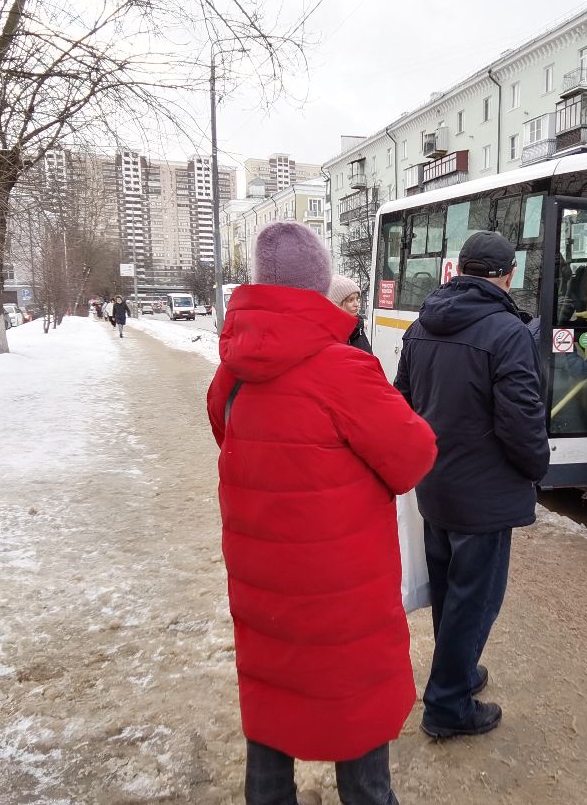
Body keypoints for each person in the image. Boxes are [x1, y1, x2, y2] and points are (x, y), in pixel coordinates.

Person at [206, 221, 438, 805]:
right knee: (353, 716)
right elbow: (414, 458)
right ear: (318, 287)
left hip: (264, 588)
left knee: (272, 705)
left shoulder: (231, 373)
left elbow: (233, 441)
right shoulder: (343, 371)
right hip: (341, 596)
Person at [394, 230, 550, 739]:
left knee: (449, 593)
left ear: (460, 269)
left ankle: (456, 674)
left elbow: (402, 402)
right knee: (475, 599)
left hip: (435, 486)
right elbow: (521, 420)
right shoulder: (508, 333)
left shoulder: (421, 325)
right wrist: (536, 468)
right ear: (507, 275)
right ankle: (447, 705)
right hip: (484, 493)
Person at [328, 274, 371, 353]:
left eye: (357, 299)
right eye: (350, 300)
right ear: (337, 304)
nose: (356, 304)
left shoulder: (358, 328)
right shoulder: (330, 334)